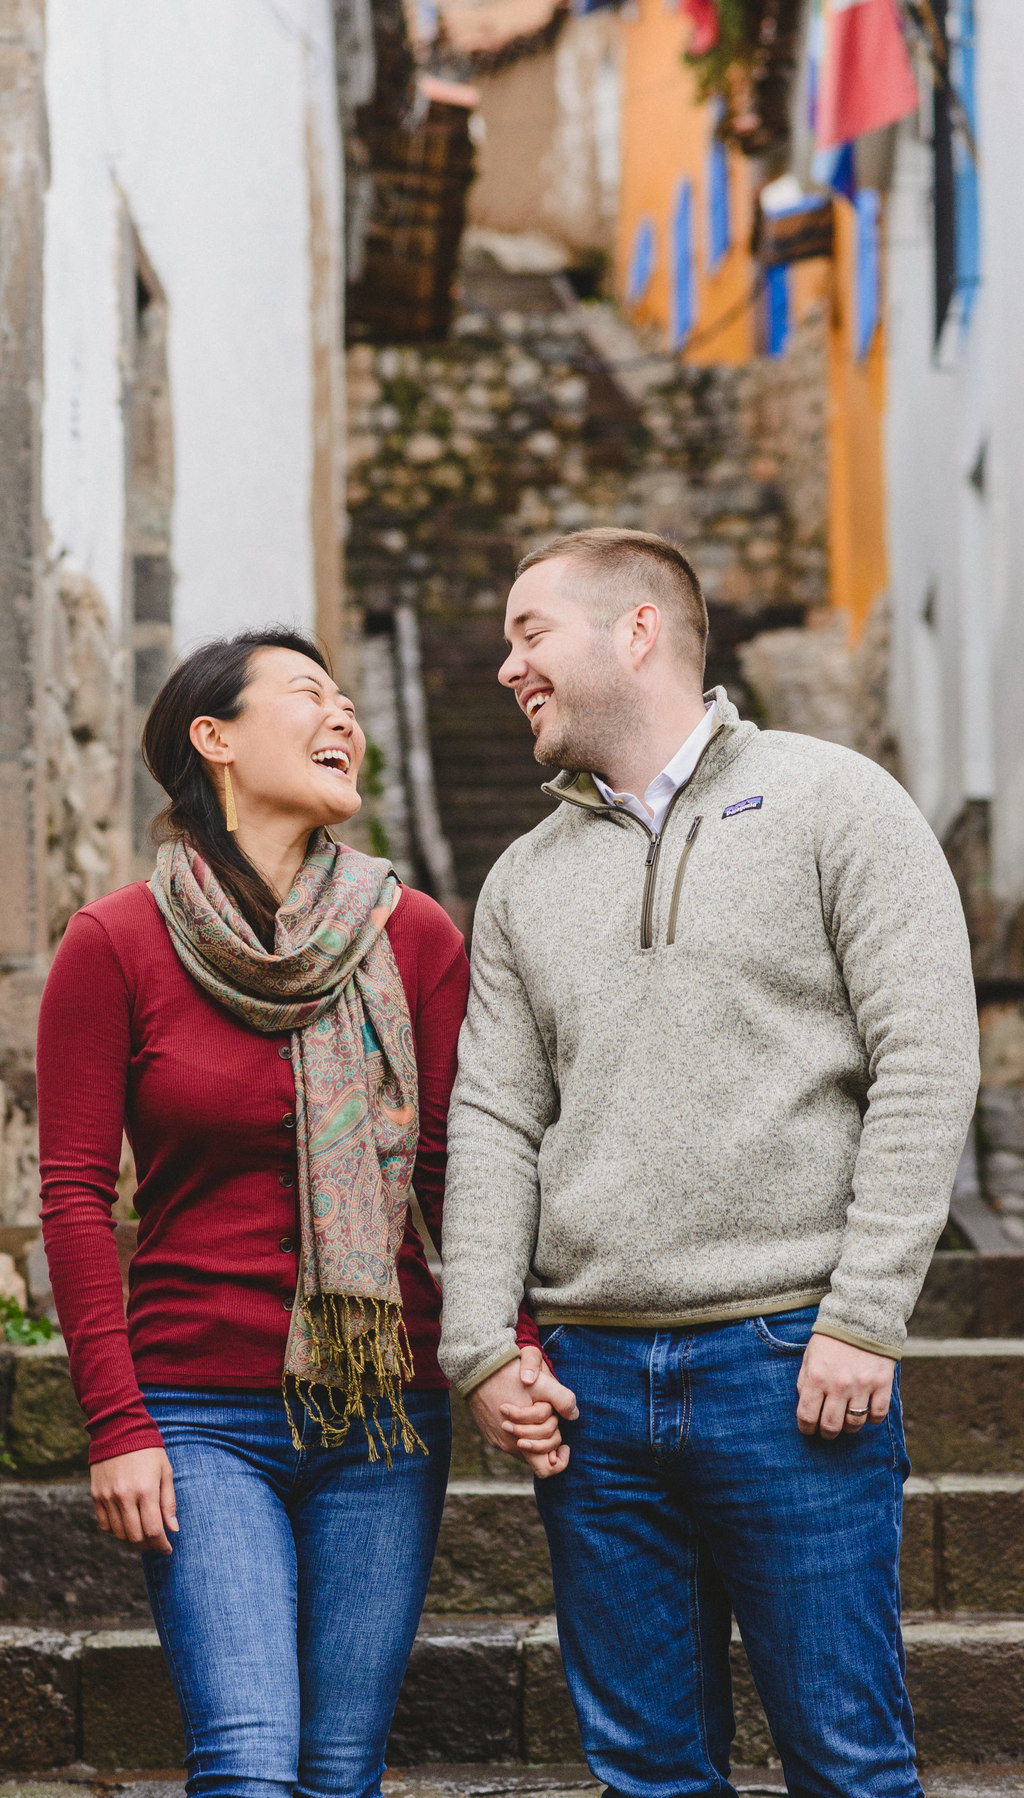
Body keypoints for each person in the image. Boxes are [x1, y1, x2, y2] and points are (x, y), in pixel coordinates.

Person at [438, 529, 981, 1798]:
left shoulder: (834, 801)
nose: (505, 667)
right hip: (591, 1389)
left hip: (792, 1367)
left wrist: (865, 1315)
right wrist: (480, 1345)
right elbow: (495, 1118)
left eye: (529, 633)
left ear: (637, 630)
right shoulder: (523, 879)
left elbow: (926, 1057)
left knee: (845, 1761)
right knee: (647, 1768)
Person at [37, 627, 562, 1798]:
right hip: (197, 1410)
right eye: (307, 695)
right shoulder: (115, 943)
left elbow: (450, 1169)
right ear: (213, 739)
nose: (344, 719)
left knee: (338, 1763)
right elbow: (74, 1197)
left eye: (347, 702)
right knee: (248, 1756)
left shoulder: (412, 932)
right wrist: (116, 1421)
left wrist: (507, 1341)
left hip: (383, 1414)